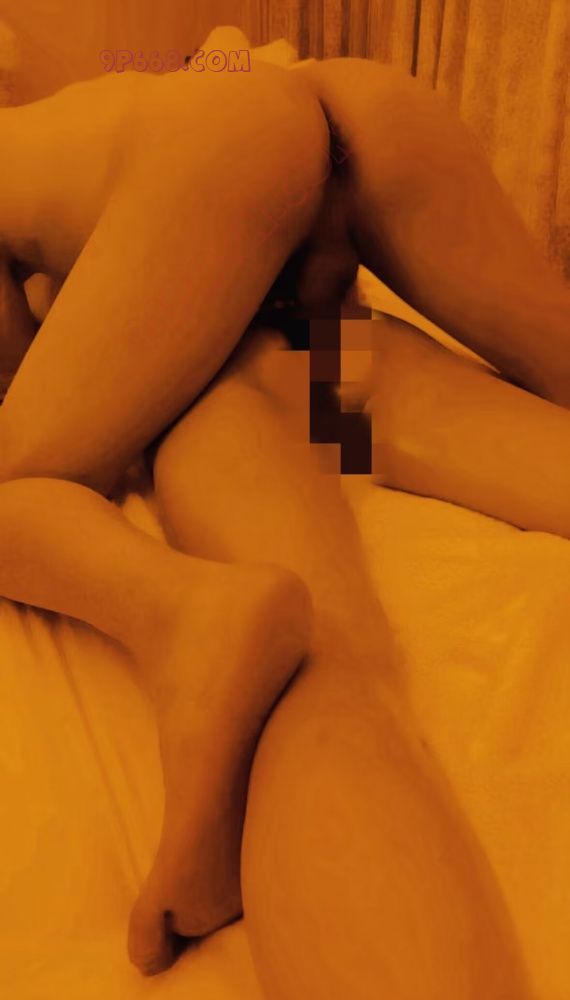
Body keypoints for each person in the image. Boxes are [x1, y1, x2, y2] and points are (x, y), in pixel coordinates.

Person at [1, 25, 567, 995]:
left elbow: (26, 378)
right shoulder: (106, 109)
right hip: (353, 129)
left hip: (232, 174)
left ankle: (182, 615)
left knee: (13, 479)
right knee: (487, 378)